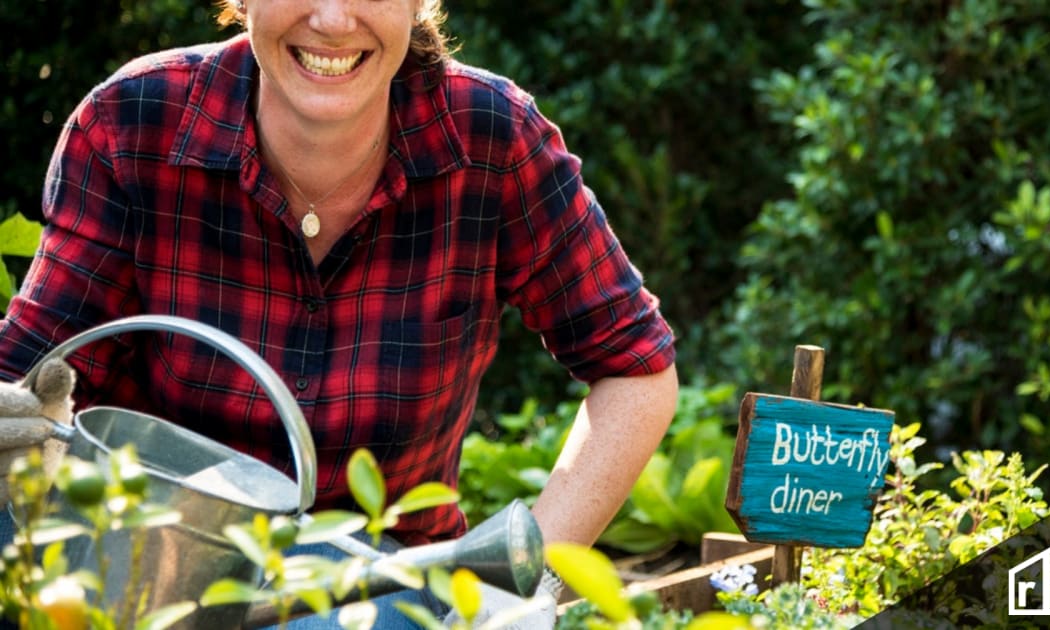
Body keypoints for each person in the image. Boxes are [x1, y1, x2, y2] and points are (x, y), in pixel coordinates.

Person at [0, 0, 678, 627]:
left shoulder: (490, 139)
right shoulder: (133, 122)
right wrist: (23, 419)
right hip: (145, 549)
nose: (331, 19)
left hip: (381, 573)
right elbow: (32, 382)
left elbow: (635, 369)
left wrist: (530, 582)